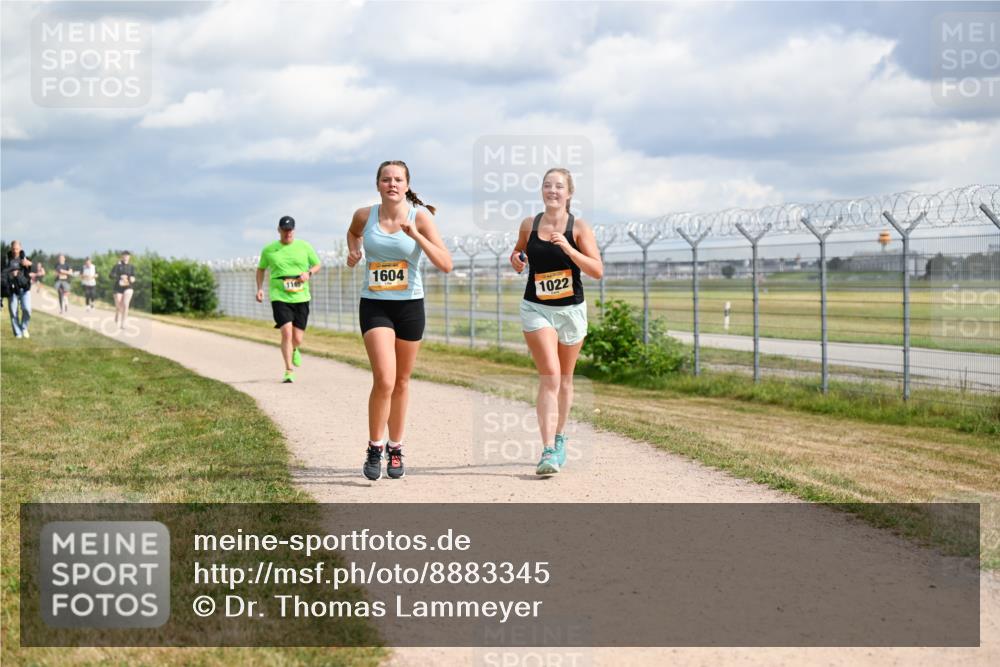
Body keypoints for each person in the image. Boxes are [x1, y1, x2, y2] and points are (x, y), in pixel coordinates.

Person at [346, 160, 452, 480]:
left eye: (398, 180)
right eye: (386, 179)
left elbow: (445, 264)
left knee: (402, 381)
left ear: (407, 185)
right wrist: (354, 252)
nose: (392, 184)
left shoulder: (421, 217)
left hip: (410, 306)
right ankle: (375, 447)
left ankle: (396, 447)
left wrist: (417, 235)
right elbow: (352, 234)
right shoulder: (365, 216)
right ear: (378, 184)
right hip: (375, 305)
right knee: (385, 378)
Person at [510, 168, 603, 476]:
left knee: (565, 379)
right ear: (542, 191)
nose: (552, 190)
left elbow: (596, 270)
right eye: (547, 185)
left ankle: (560, 436)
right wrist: (516, 259)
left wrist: (567, 247)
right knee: (550, 376)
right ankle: (548, 449)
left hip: (571, 310)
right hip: (536, 307)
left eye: (558, 186)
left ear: (569, 193)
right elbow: (517, 253)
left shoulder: (579, 228)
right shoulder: (529, 224)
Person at [256, 215, 321, 383]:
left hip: (301, 296)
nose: (287, 233)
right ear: (279, 230)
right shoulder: (269, 250)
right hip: (280, 296)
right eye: (284, 230)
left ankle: (295, 349)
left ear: (294, 230)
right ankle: (288, 370)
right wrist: (260, 289)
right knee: (286, 333)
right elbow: (261, 269)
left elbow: (317, 264)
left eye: (290, 230)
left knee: (297, 338)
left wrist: (308, 273)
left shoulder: (304, 246)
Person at [3, 240, 34, 338]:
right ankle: (18, 333)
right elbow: (2, 274)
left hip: (24, 288)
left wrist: (30, 264)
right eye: (13, 249)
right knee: (13, 312)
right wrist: (11, 274)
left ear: (20, 248)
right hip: (12, 289)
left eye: (17, 249)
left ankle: (24, 328)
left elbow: (32, 268)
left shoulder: (25, 258)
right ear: (11, 248)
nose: (15, 251)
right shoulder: (6, 260)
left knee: (27, 310)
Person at [109, 251, 136, 330]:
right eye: (124, 255)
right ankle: (117, 312)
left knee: (126, 304)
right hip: (118, 287)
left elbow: (133, 277)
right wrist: (120, 276)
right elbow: (111, 275)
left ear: (129, 257)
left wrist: (132, 279)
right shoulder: (117, 266)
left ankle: (123, 323)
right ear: (122, 256)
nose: (126, 257)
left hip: (128, 287)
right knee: (119, 304)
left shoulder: (131, 267)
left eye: (127, 256)